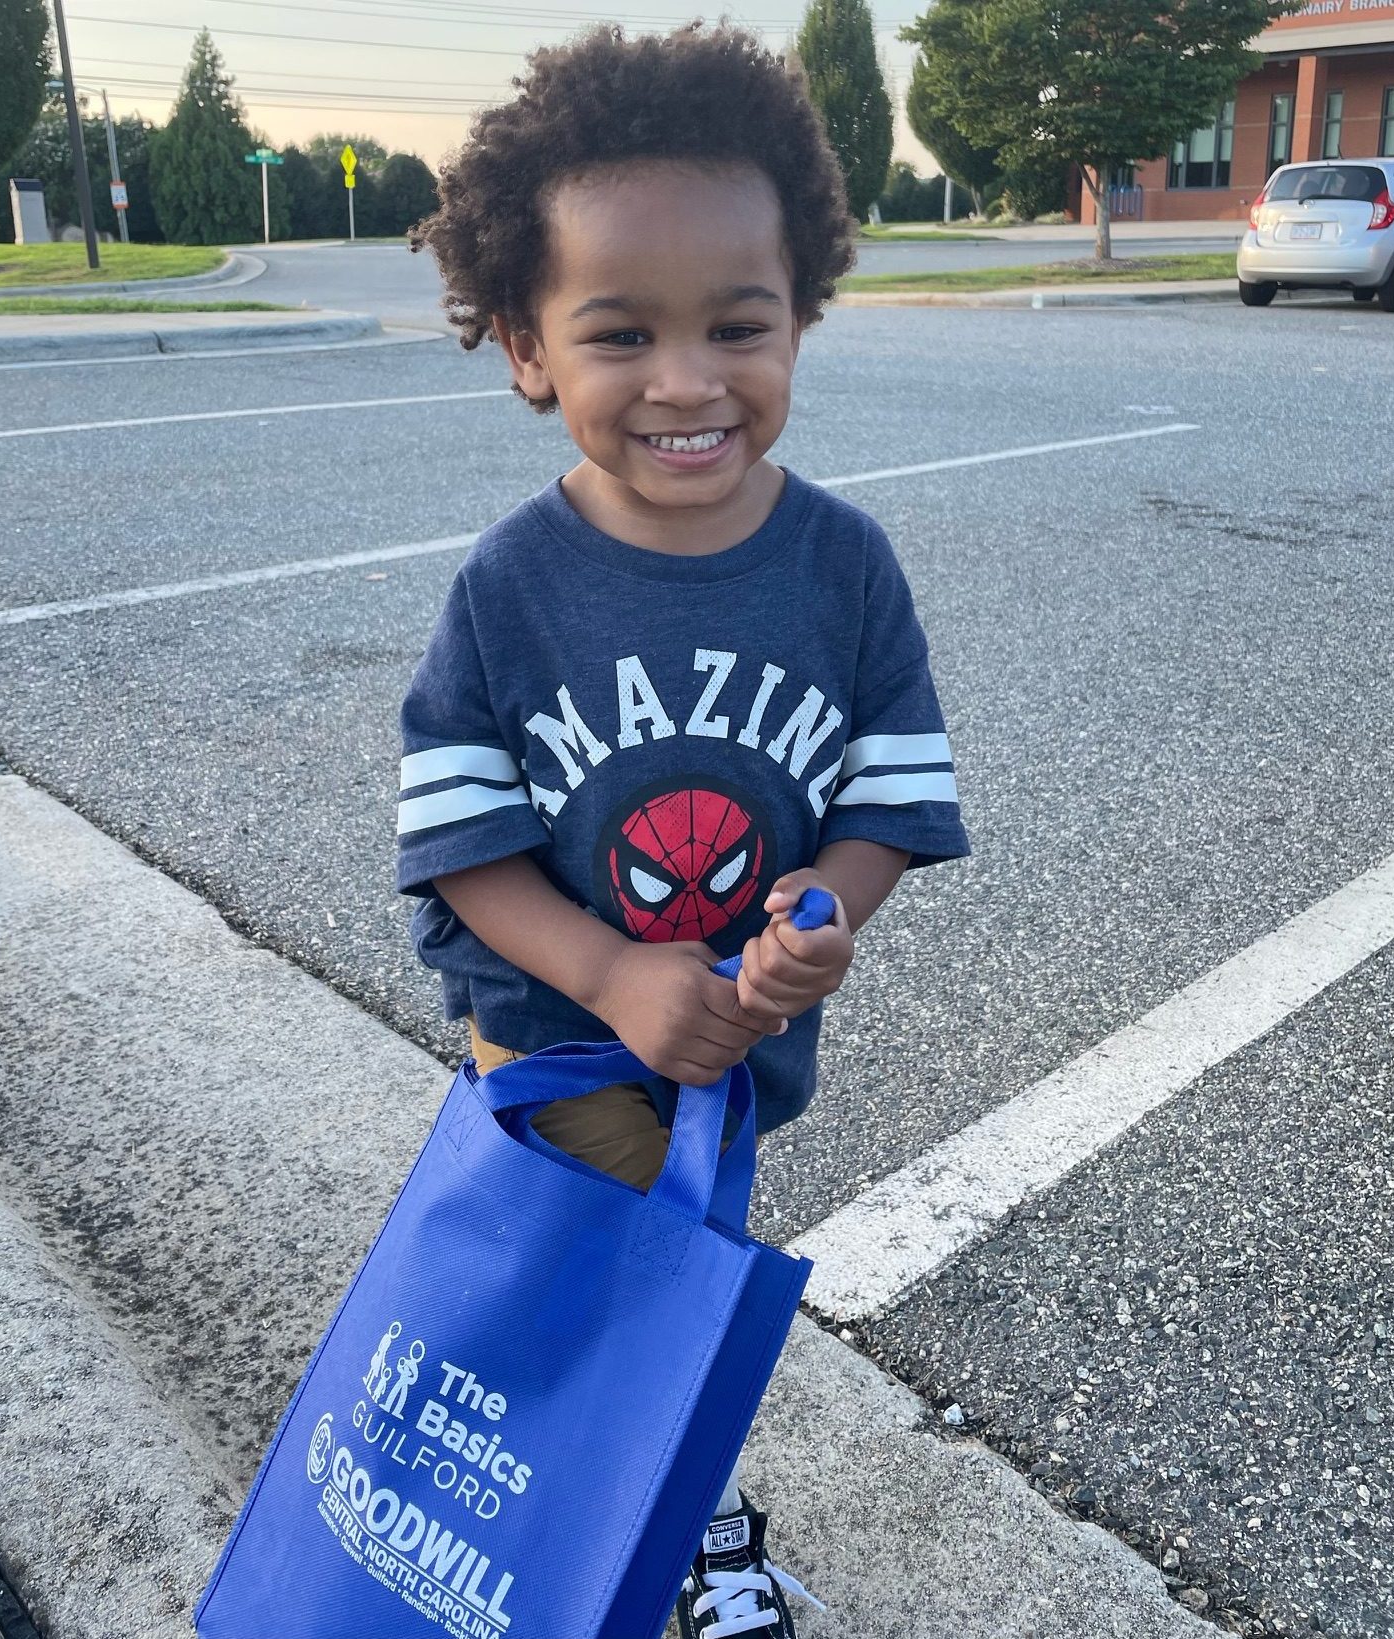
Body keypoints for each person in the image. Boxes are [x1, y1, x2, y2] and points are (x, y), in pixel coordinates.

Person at [397, 21, 970, 1636]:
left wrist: (826, 913)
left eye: (739, 324)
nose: (687, 381)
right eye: (619, 334)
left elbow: (886, 796)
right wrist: (610, 974)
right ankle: (669, 1547)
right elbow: (460, 846)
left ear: (802, 316)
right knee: (631, 1312)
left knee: (667, 1296)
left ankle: (599, 1524)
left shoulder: (844, 566)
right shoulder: (512, 590)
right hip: (565, 1044)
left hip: (730, 1049)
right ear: (525, 347)